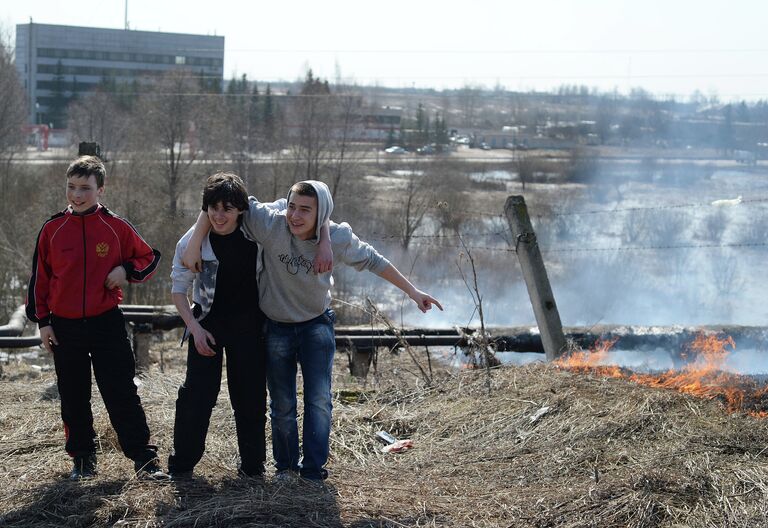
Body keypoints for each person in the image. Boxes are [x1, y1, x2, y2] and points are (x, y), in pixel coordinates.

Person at [183, 180, 442, 481]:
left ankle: (314, 470)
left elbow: (374, 261)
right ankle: (286, 468)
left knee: (319, 399)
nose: (295, 216)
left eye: (306, 210)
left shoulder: (338, 237)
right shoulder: (271, 224)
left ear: (322, 215)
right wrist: (195, 239)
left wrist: (413, 292)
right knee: (281, 403)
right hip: (276, 326)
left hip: (315, 324)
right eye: (292, 207)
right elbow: (226, 201)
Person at [167, 172, 331, 479]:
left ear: (241, 209)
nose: (219, 215)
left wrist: (325, 240)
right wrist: (194, 328)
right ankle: (182, 467)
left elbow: (303, 208)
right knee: (196, 395)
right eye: (212, 209)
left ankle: (252, 469)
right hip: (206, 324)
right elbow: (178, 290)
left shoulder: (257, 229)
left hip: (250, 325)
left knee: (250, 397)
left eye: (227, 209)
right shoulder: (193, 243)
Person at [25, 155, 167, 480]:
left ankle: (145, 461)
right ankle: (83, 461)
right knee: (74, 395)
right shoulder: (52, 229)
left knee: (121, 392)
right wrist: (43, 321)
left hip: (106, 322)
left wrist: (125, 270)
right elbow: (39, 281)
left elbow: (150, 257)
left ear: (101, 190)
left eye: (85, 188)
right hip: (64, 326)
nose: (77, 195)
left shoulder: (116, 227)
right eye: (71, 187)